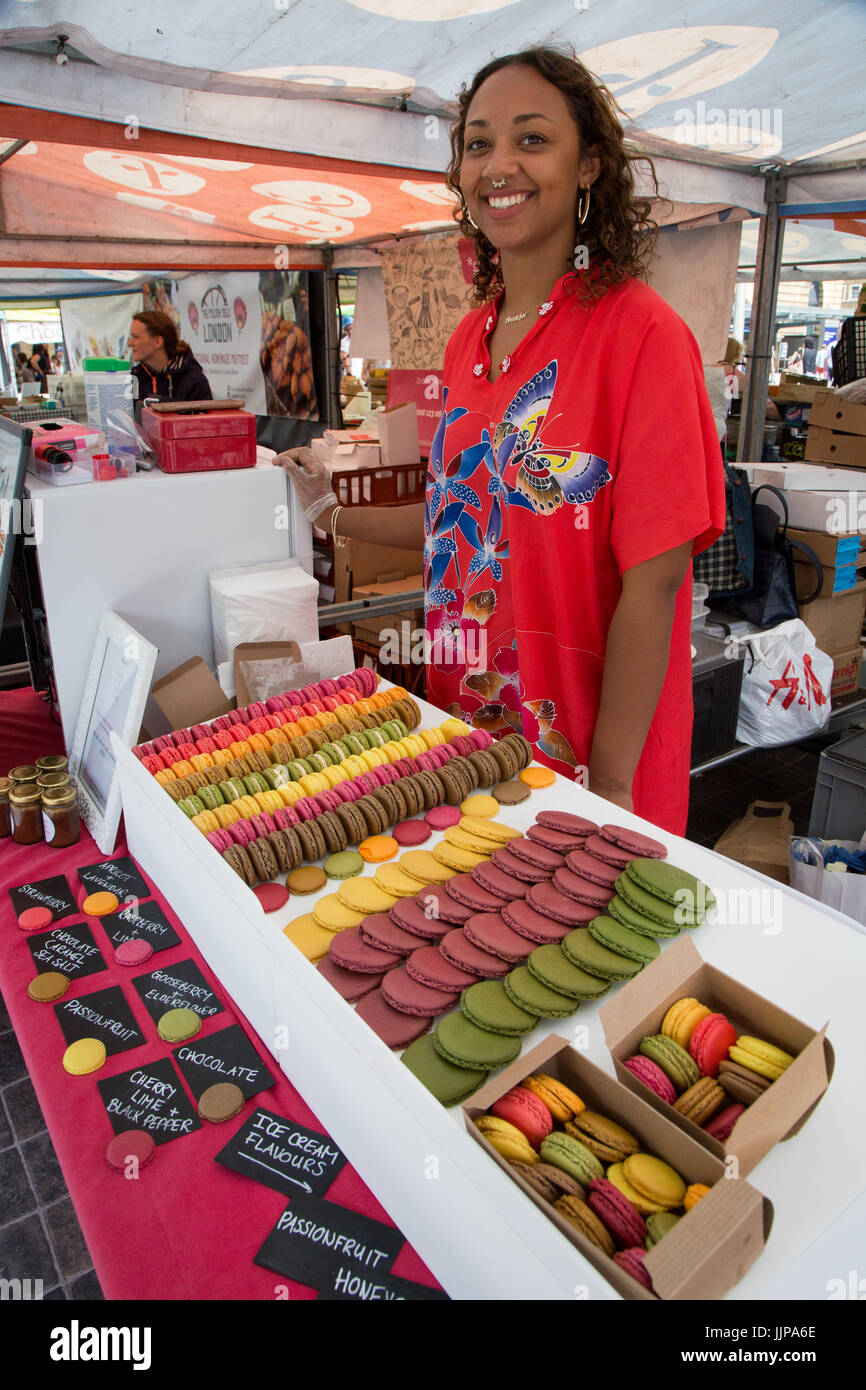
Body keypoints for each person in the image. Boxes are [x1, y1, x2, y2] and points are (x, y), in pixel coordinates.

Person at [278, 46, 725, 834]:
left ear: (588, 165)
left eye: (531, 139)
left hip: (589, 769)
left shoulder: (641, 337)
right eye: (478, 143)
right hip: (470, 744)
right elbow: (463, 528)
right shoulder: (468, 342)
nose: (499, 165)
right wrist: (327, 515)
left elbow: (652, 588)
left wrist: (612, 791)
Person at [129, 311, 212, 404]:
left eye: (136, 337)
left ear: (158, 342)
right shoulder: (135, 378)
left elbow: (204, 418)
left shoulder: (193, 381)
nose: (130, 343)